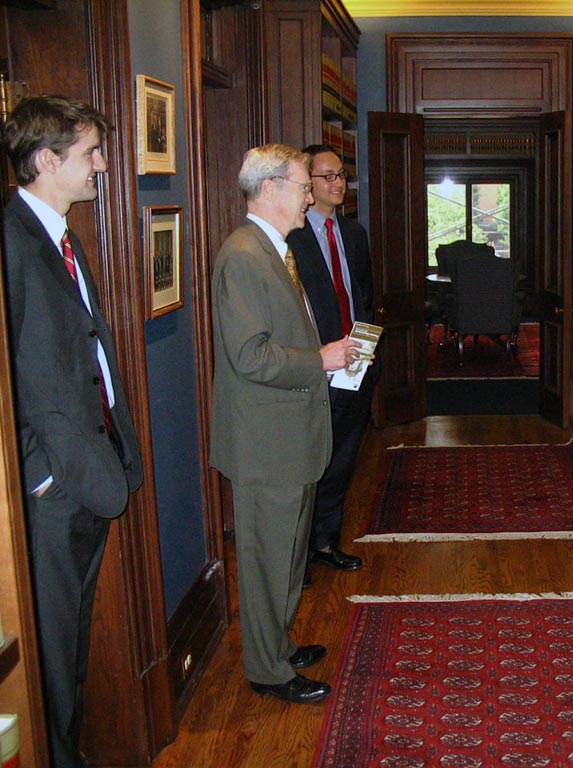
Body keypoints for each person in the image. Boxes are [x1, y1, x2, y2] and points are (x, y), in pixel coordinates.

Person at [1, 95, 143, 767]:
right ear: (45, 160)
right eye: (91, 153)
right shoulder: (11, 239)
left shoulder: (59, 232)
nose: (103, 166)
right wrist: (40, 473)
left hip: (88, 470)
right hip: (52, 491)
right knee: (52, 662)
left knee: (74, 650)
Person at [210, 143, 362, 704]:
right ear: (270, 188)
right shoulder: (245, 255)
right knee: (266, 558)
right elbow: (250, 356)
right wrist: (320, 359)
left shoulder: (275, 248)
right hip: (265, 442)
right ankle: (268, 669)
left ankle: (278, 643)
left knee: (289, 554)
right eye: (302, 186)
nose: (309, 197)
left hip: (289, 436)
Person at [287, 144, 377, 584]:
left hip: (355, 364)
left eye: (341, 174)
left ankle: (325, 542)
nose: (338, 183)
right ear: (307, 185)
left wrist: (365, 346)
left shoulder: (354, 234)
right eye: (327, 176)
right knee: (308, 463)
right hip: (314, 365)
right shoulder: (291, 238)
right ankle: (299, 557)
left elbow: (362, 296)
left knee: (342, 458)